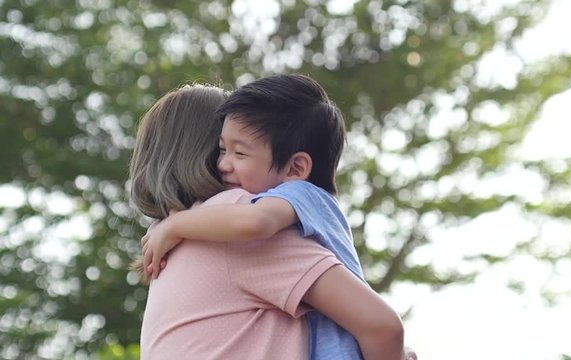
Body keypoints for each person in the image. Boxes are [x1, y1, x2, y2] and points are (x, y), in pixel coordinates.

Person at [130, 83, 409, 360]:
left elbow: (257, 220)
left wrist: (173, 225)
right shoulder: (226, 222)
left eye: (239, 152)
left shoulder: (182, 233)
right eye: (221, 149)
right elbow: (383, 326)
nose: (224, 164)